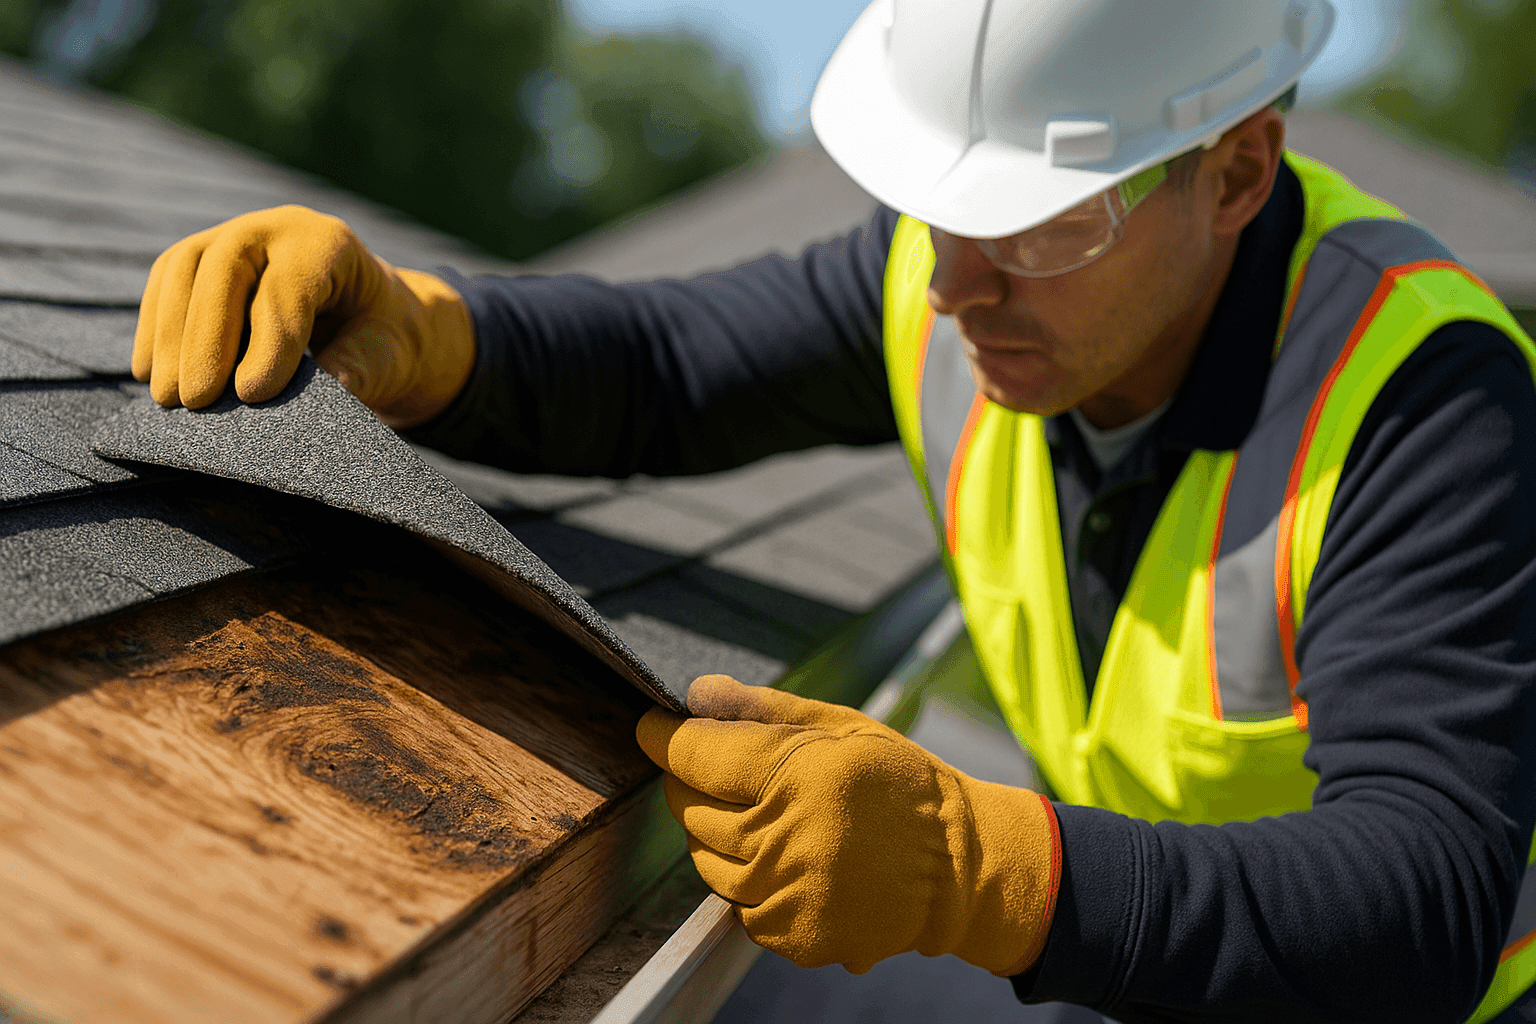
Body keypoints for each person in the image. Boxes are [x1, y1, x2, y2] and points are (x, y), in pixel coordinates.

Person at [131, 0, 1536, 1019]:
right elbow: (667, 367)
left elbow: (1421, 900)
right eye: (944, 211)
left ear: (1237, 172)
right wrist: (427, 338)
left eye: (1048, 223)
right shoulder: (956, 282)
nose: (956, 290)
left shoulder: (1430, 403)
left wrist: (977, 872)